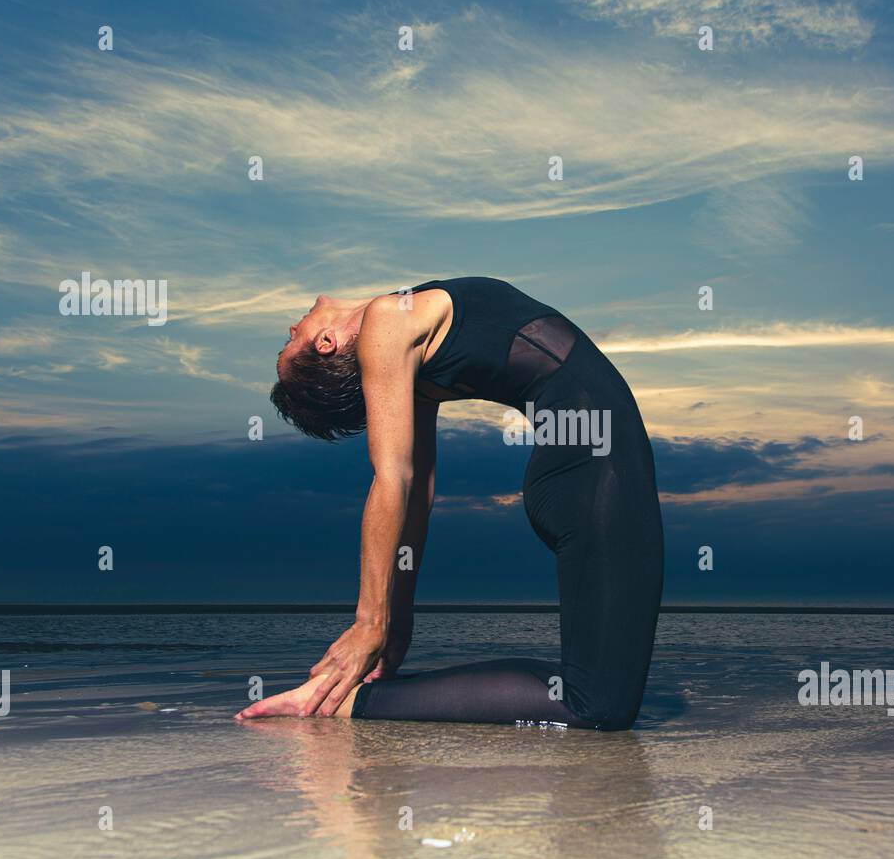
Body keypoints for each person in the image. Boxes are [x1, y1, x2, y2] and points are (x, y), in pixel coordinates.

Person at [236, 277, 663, 729]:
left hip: (589, 469)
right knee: (596, 705)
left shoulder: (404, 330)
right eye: (290, 343)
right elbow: (397, 481)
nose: (290, 327)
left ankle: (365, 700)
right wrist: (372, 623)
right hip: (597, 473)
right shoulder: (388, 321)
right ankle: (343, 704)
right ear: (325, 344)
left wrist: (396, 625)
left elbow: (417, 496)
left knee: (597, 694)